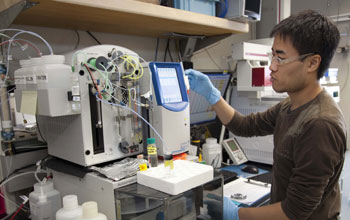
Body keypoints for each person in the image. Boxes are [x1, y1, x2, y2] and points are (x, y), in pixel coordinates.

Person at [186, 10, 347, 220]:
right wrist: (212, 95)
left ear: (312, 63)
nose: (272, 67)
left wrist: (236, 214)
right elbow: (244, 126)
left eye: (280, 58)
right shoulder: (290, 105)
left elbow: (294, 212)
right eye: (272, 56)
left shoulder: (319, 124)